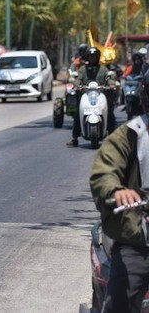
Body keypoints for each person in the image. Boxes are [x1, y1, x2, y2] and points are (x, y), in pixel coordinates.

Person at [89, 72, 149, 312]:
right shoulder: (131, 134)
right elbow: (104, 171)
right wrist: (116, 190)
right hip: (139, 239)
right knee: (117, 304)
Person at [67, 47, 117, 147]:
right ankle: (74, 138)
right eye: (90, 56)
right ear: (87, 57)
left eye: (94, 56)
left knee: (110, 114)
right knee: (78, 114)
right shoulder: (82, 69)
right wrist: (76, 84)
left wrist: (111, 84)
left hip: (101, 95)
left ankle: (114, 138)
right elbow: (78, 79)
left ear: (97, 57)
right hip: (86, 95)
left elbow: (109, 77)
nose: (92, 58)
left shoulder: (103, 69)